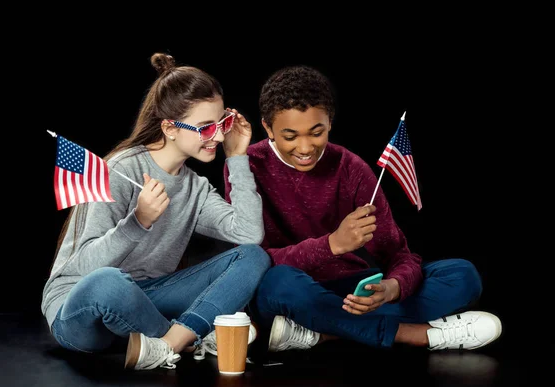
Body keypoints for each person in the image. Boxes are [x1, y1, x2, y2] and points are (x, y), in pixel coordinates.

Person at [210, 65, 502, 355]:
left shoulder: (350, 168)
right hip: (290, 289)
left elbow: (398, 253)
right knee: (279, 284)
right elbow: (250, 261)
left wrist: (393, 287)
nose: (305, 147)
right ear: (268, 128)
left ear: (330, 123)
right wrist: (331, 245)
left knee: (462, 275)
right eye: (290, 136)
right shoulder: (246, 165)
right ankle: (415, 335)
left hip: (351, 290)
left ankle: (323, 333)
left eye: (316, 132)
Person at [41, 52, 271, 371]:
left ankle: (167, 345)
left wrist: (237, 158)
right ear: (170, 128)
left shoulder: (194, 187)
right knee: (109, 282)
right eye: (206, 128)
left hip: (146, 302)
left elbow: (249, 234)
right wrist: (138, 222)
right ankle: (190, 337)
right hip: (81, 311)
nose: (219, 136)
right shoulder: (119, 170)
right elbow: (82, 269)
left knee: (253, 256)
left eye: (223, 123)